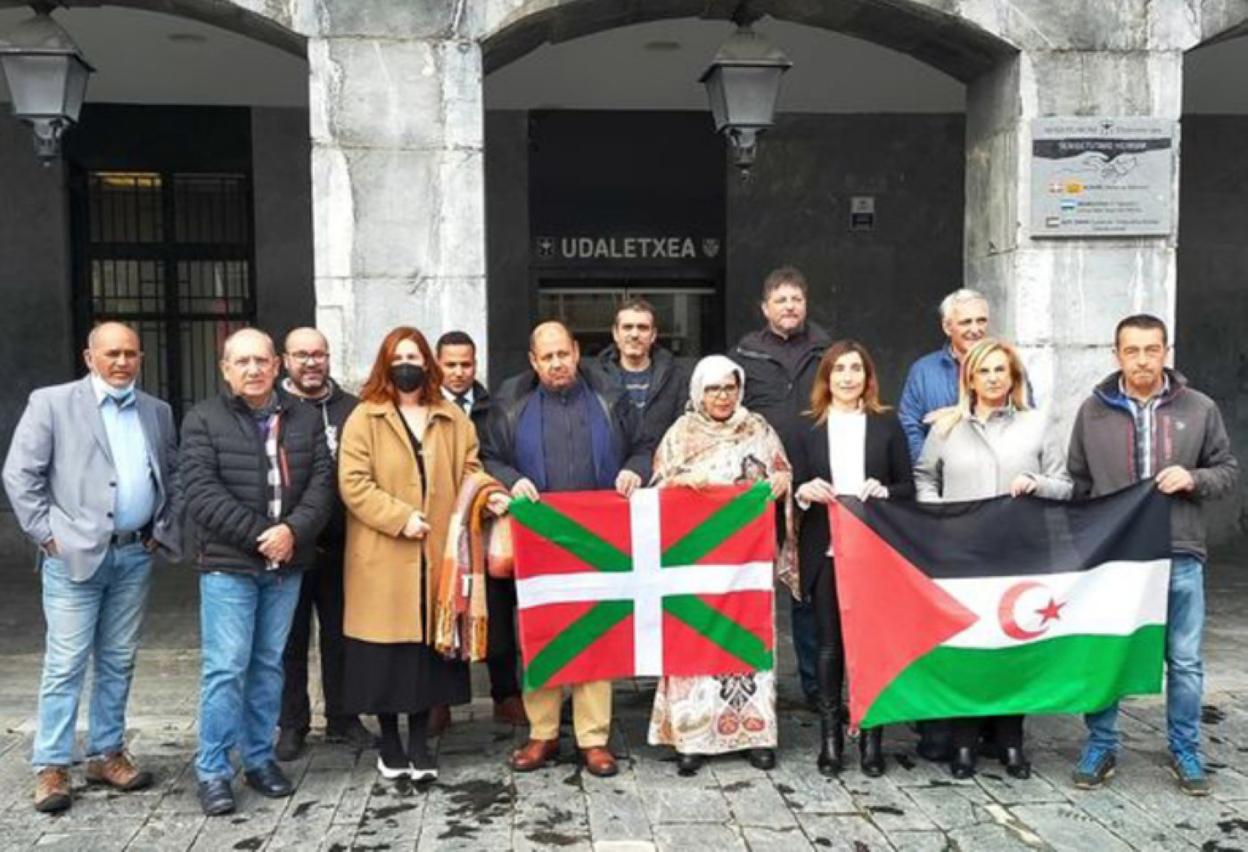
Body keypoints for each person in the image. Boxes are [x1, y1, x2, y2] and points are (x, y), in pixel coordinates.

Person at [3, 322, 180, 814]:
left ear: (141, 357)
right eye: (112, 354)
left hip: (132, 555)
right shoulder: (53, 403)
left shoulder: (157, 411)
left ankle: (106, 753)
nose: (122, 362)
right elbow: (20, 474)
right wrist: (46, 534)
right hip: (72, 557)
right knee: (65, 663)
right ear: (89, 357)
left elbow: (172, 472)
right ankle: (52, 764)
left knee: (119, 659)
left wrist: (159, 528)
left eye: (130, 354)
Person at [1068, 314, 1238, 797]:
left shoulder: (1199, 408)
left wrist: (1194, 478)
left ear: (1166, 351)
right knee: (1108, 652)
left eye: (1151, 349)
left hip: (1179, 551)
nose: (1142, 360)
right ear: (1116, 354)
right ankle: (1101, 743)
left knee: (1183, 660)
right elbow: (1080, 483)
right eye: (1132, 350)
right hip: (1115, 559)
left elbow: (1226, 470)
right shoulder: (1093, 411)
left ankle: (1185, 748)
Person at [481, 321, 655, 778]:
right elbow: (487, 457)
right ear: (533, 362)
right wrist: (509, 478)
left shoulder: (612, 399)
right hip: (539, 540)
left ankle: (593, 739)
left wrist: (636, 469)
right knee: (541, 635)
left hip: (599, 541)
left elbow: (644, 447)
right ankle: (542, 734)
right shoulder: (510, 405)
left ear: (577, 352)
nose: (557, 364)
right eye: (547, 357)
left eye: (564, 354)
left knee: (597, 635)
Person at [338, 327, 508, 783]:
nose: (407, 365)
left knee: (424, 657)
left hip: (437, 557)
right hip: (383, 557)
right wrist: (400, 517)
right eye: (399, 357)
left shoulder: (450, 416)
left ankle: (420, 742)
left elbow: (472, 468)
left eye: (414, 356)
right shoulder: (364, 417)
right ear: (385, 363)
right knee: (386, 658)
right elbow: (353, 484)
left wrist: (485, 494)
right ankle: (389, 742)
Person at [181, 328, 334, 816]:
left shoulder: (306, 418)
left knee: (269, 664)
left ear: (277, 366)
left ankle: (260, 757)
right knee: (226, 667)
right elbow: (201, 493)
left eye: (261, 361)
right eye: (241, 361)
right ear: (225, 369)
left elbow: (321, 487)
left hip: (286, 566)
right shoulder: (203, 420)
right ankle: (212, 769)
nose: (252, 369)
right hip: (230, 567)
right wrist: (262, 535)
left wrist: (292, 532)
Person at [914, 338, 1071, 780]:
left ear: (1013, 377)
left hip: (1021, 554)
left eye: (1001, 370)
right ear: (970, 378)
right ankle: (963, 742)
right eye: (984, 371)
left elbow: (1067, 485)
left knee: (1015, 648)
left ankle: (1011, 742)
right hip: (964, 557)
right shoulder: (946, 428)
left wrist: (1036, 482)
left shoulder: (1038, 424)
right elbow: (924, 477)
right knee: (971, 649)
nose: (993, 378)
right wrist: (940, 513)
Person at [647, 355, 792, 776]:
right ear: (698, 393)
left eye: (729, 387)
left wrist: (782, 481)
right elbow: (658, 484)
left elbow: (781, 471)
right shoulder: (681, 433)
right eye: (713, 389)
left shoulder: (759, 429)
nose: (722, 396)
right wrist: (677, 483)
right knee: (694, 643)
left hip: (745, 565)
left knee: (747, 643)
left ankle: (755, 735)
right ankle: (692, 739)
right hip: (695, 561)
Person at [791, 340, 914, 778]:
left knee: (871, 647)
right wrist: (804, 493)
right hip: (826, 550)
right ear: (826, 378)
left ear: (868, 376)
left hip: (874, 552)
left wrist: (885, 491)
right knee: (829, 647)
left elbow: (908, 488)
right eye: (839, 369)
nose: (847, 377)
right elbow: (794, 489)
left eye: (856, 369)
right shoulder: (807, 429)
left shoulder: (886, 424)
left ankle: (872, 736)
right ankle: (830, 737)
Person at [732, 266, 831, 710]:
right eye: (781, 300)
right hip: (759, 493)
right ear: (765, 308)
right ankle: (754, 684)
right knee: (750, 588)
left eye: (796, 299)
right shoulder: (745, 356)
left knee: (806, 590)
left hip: (812, 486)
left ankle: (814, 687)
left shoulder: (827, 351)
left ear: (805, 304)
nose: (789, 307)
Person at [275, 327, 373, 761]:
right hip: (288, 545)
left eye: (318, 355)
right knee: (289, 640)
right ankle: (292, 724)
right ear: (285, 360)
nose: (311, 363)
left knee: (341, 636)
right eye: (301, 355)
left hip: (342, 544)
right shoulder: (273, 409)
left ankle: (343, 717)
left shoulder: (354, 409)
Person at [436, 330, 526, 727]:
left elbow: (504, 456)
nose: (458, 372)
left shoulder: (497, 408)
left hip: (492, 525)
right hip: (445, 529)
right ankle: (440, 700)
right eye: (450, 364)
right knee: (448, 608)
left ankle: (506, 693)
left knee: (498, 611)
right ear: (437, 365)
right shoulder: (427, 408)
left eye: (466, 364)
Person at [898, 288, 991, 464]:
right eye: (966, 322)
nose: (975, 329)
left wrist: (958, 413)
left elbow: (1022, 417)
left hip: (995, 478)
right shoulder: (923, 371)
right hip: (941, 481)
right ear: (947, 327)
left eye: (981, 321)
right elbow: (910, 428)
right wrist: (929, 470)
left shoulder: (1006, 367)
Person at [585, 297, 689, 442]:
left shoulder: (675, 378)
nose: (634, 335)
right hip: (613, 464)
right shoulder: (594, 378)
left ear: (653, 335)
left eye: (642, 328)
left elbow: (684, 431)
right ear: (615, 333)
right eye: (627, 327)